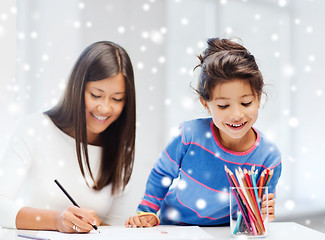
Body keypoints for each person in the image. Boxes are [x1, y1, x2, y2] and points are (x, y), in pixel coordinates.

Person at [125, 38, 282, 227]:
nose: (236, 115)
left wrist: (263, 214)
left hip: (225, 233)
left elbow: (256, 216)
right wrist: (146, 211)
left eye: (246, 103)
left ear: (258, 97)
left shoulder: (269, 157)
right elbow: (162, 173)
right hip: (174, 226)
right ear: (205, 104)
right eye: (223, 105)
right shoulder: (189, 135)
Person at [0, 41, 136, 232]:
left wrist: (93, 222)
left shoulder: (118, 151)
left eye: (116, 99)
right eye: (96, 95)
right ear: (77, 88)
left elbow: (115, 229)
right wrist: (56, 220)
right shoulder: (34, 129)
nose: (105, 108)